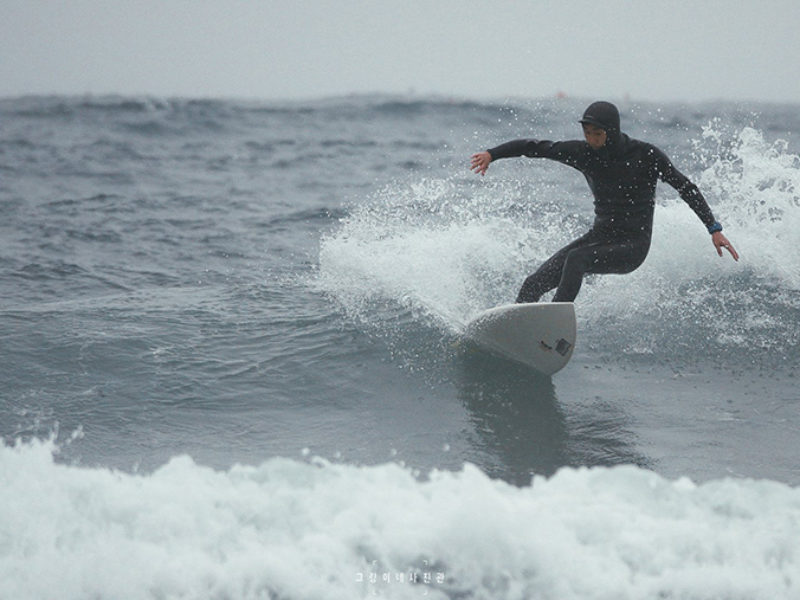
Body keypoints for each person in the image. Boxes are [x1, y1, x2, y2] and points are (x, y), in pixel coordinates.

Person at [470, 101, 739, 303]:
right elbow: (535, 147)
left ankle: (551, 328)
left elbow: (686, 187)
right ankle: (519, 330)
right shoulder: (583, 153)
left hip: (632, 246)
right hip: (600, 237)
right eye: (587, 133)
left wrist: (713, 228)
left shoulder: (645, 155)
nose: (591, 139)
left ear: (610, 131)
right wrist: (493, 154)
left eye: (596, 134)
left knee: (577, 259)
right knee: (533, 284)